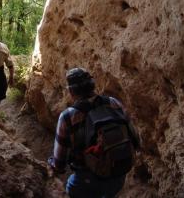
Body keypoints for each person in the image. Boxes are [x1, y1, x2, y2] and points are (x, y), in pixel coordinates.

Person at [48, 68, 140, 198]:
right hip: (118, 173)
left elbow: (59, 164)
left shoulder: (68, 117)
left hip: (86, 181)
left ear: (71, 91)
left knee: (72, 186)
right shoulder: (113, 103)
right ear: (93, 85)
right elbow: (135, 139)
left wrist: (50, 164)